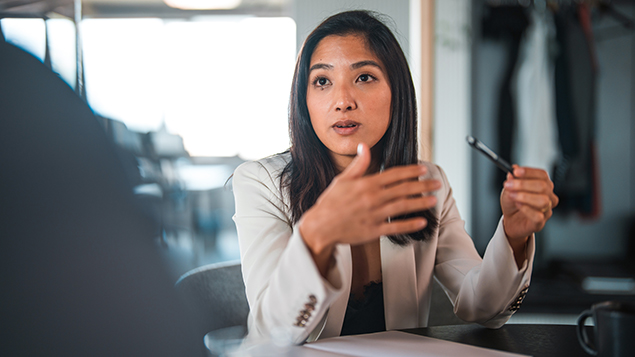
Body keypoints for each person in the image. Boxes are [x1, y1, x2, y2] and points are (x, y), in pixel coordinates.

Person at [232, 10, 558, 344]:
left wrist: (514, 236)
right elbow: (271, 333)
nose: (343, 101)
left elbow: (484, 308)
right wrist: (315, 238)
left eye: (364, 78)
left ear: (396, 92)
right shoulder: (261, 183)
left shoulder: (427, 183)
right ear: (304, 100)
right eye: (322, 81)